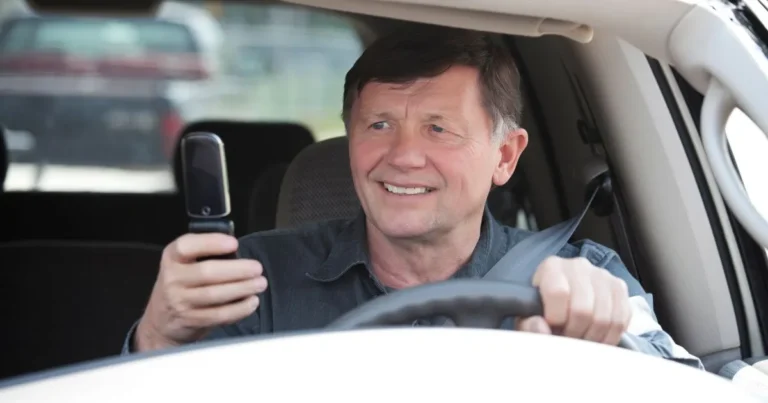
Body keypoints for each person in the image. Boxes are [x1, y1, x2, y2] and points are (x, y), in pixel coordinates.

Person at [123, 27, 702, 368]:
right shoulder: (255, 278)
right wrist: (157, 335)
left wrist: (611, 339)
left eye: (438, 128)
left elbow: (685, 383)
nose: (402, 156)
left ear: (505, 156)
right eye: (378, 126)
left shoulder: (583, 277)